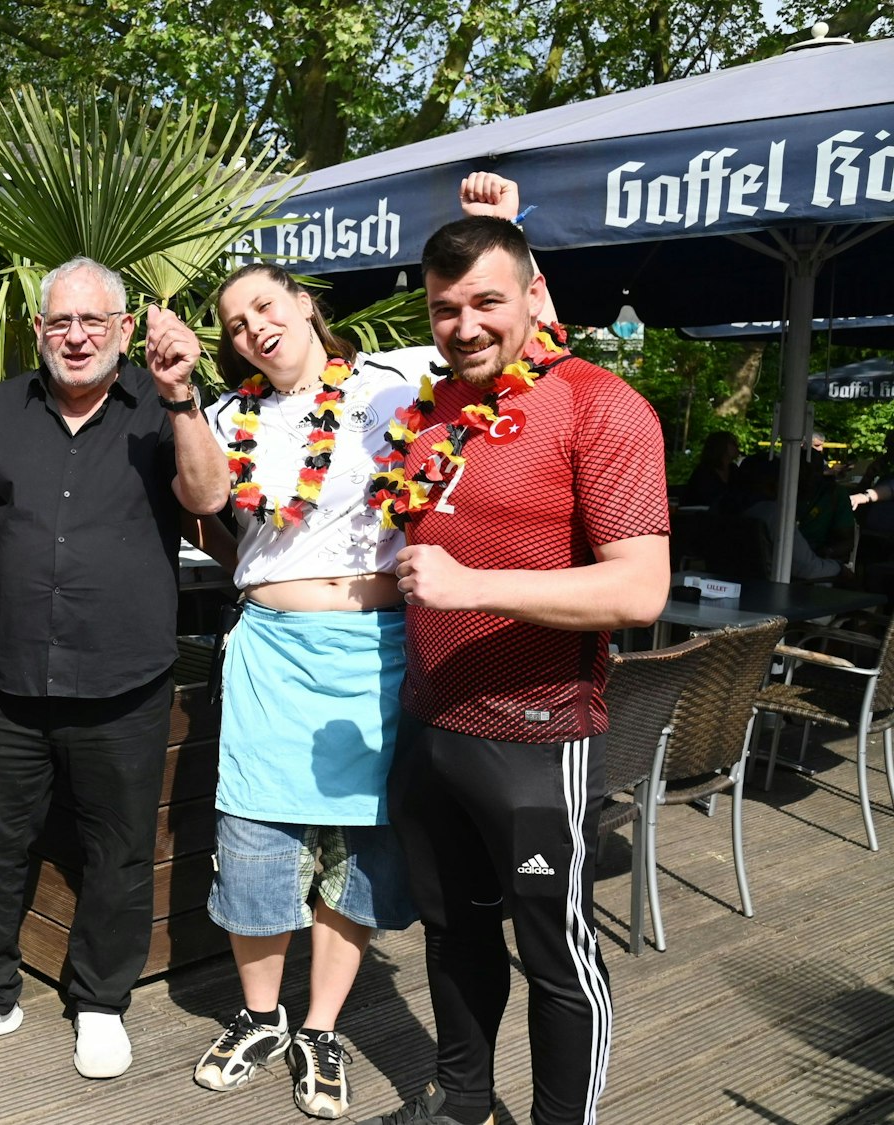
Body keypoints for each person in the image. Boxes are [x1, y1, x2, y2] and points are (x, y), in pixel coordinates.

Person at [365, 217, 669, 1125]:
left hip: (537, 739)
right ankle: (462, 1103)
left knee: (555, 951)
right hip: (430, 727)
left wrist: (471, 584)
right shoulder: (432, 413)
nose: (463, 325)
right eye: (444, 307)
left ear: (536, 296)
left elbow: (641, 587)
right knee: (453, 933)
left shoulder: (599, 404)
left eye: (487, 301)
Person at [0, 256, 230, 1079]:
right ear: (39, 332)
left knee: (119, 851)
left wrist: (180, 395)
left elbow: (206, 500)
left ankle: (99, 1001)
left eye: (94, 321)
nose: (77, 336)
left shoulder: (160, 409)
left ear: (125, 329)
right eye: (61, 322)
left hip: (124, 680)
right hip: (3, 676)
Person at [185, 262, 432, 1119]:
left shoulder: (394, 387)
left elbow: (506, 359)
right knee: (253, 837)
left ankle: (321, 1025)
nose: (252, 325)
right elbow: (208, 511)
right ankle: (262, 1017)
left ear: (304, 304)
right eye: (235, 321)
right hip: (270, 650)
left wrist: (512, 237)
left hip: (376, 648)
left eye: (265, 305)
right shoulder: (226, 415)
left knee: (357, 845)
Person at [680, 431, 740, 509]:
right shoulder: (704, 472)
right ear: (721, 446)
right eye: (733, 443)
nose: (737, 446)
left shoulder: (733, 470)